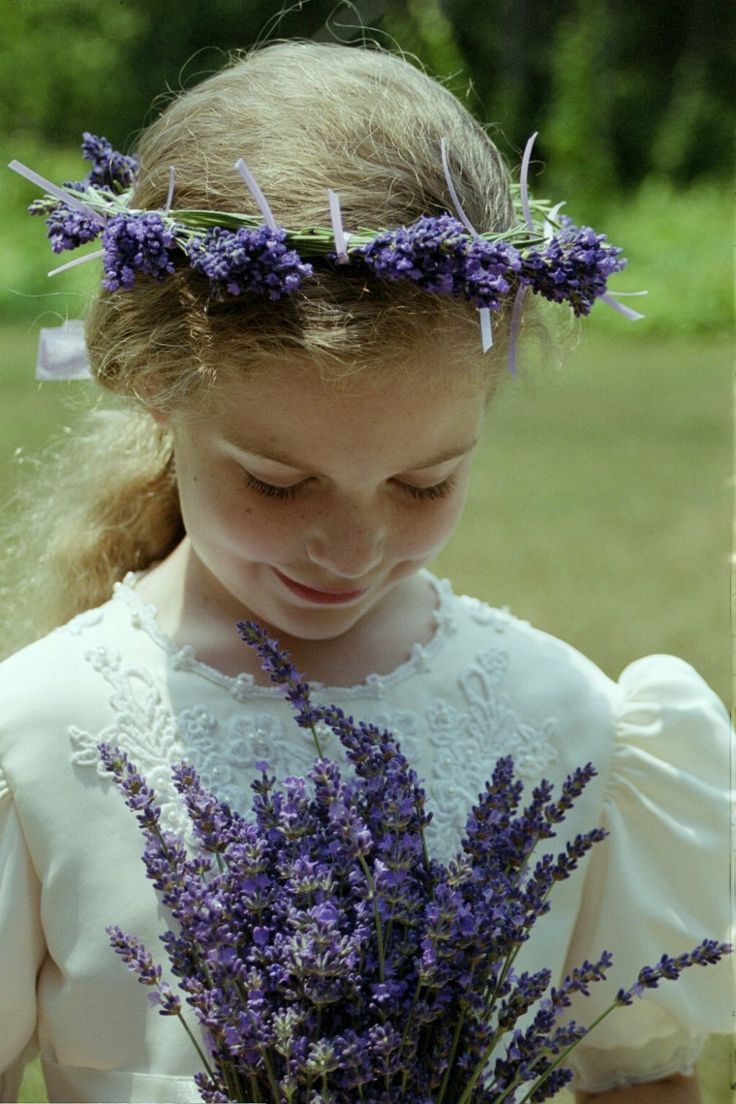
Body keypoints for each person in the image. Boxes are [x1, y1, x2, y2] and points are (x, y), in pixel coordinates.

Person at [0, 40, 730, 1104]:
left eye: (424, 484)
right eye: (279, 484)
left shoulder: (576, 726)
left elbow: (638, 1079)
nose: (351, 551)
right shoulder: (34, 739)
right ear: (154, 385)